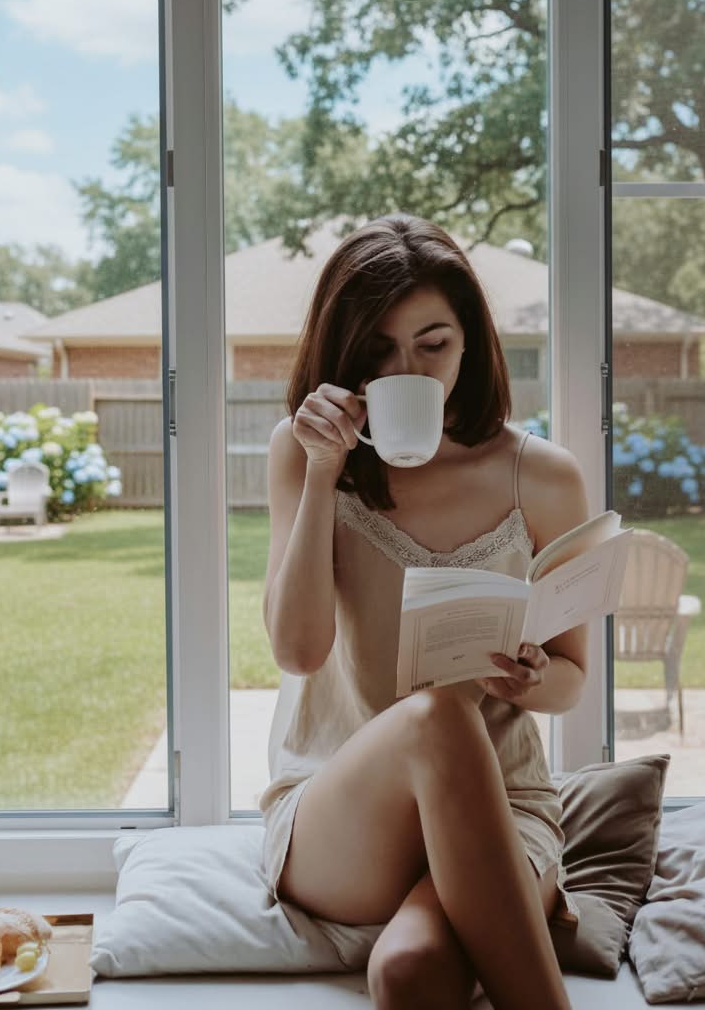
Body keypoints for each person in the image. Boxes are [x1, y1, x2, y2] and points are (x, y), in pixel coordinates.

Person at [260, 213, 588, 1010]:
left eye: (432, 344)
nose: (404, 369)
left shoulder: (542, 476)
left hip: (501, 804)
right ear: (344, 353)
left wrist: (528, 680)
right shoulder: (303, 455)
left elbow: (573, 680)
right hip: (341, 808)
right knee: (440, 713)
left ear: (469, 342)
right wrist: (321, 472)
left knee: (411, 975)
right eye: (377, 349)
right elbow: (299, 652)